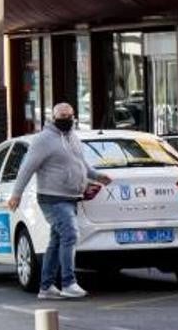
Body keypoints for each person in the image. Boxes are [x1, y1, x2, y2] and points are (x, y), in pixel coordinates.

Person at [7, 103, 112, 300]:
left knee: (55, 242)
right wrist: (16, 194)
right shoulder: (43, 140)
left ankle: (46, 287)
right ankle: (68, 282)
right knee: (70, 234)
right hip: (52, 197)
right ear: (53, 118)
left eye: (68, 115)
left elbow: (81, 165)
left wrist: (97, 176)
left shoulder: (73, 137)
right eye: (61, 116)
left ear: (74, 116)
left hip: (71, 197)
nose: (65, 119)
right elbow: (27, 168)